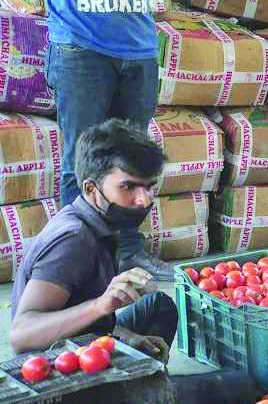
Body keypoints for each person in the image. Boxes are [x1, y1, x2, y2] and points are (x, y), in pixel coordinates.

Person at [24, 0, 179, 281]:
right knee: (82, 163)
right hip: (81, 47)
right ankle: (76, 265)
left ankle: (128, 254)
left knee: (133, 165)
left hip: (139, 48)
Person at [10, 119, 176, 359]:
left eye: (149, 186)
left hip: (86, 338)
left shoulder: (101, 222)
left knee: (160, 305)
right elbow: (21, 335)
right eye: (128, 187)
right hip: (60, 364)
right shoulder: (74, 241)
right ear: (91, 189)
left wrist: (127, 337)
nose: (144, 200)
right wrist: (100, 305)